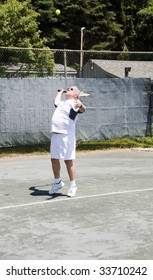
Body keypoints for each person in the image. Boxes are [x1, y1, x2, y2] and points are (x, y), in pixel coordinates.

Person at [48, 86, 86, 197]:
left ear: (76, 95)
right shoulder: (63, 103)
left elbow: (82, 110)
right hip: (55, 135)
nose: (68, 89)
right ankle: (57, 182)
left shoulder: (74, 102)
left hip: (66, 136)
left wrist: (81, 106)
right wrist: (60, 92)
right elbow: (56, 102)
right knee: (54, 159)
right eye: (68, 88)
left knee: (68, 161)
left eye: (71, 89)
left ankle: (73, 185)